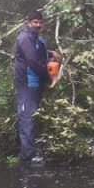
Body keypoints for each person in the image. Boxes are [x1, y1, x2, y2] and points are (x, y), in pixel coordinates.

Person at [13, 10, 61, 164]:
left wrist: (50, 52)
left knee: (30, 115)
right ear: (28, 22)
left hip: (35, 82)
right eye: (35, 22)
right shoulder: (25, 37)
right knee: (27, 116)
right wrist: (48, 78)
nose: (38, 25)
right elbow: (33, 61)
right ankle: (27, 156)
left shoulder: (34, 37)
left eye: (40, 22)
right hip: (27, 83)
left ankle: (26, 150)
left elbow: (36, 52)